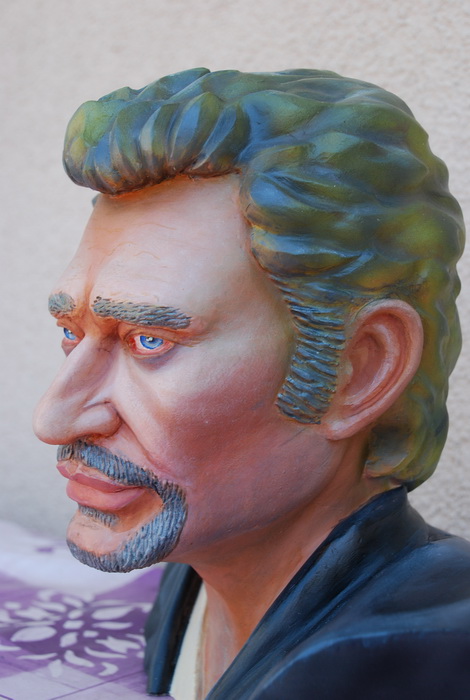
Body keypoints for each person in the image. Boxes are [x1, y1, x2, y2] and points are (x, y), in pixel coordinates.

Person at [34, 68, 470, 699]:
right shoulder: (201, 562)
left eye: (149, 340)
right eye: (71, 331)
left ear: (359, 370)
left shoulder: (412, 655)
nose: (55, 418)